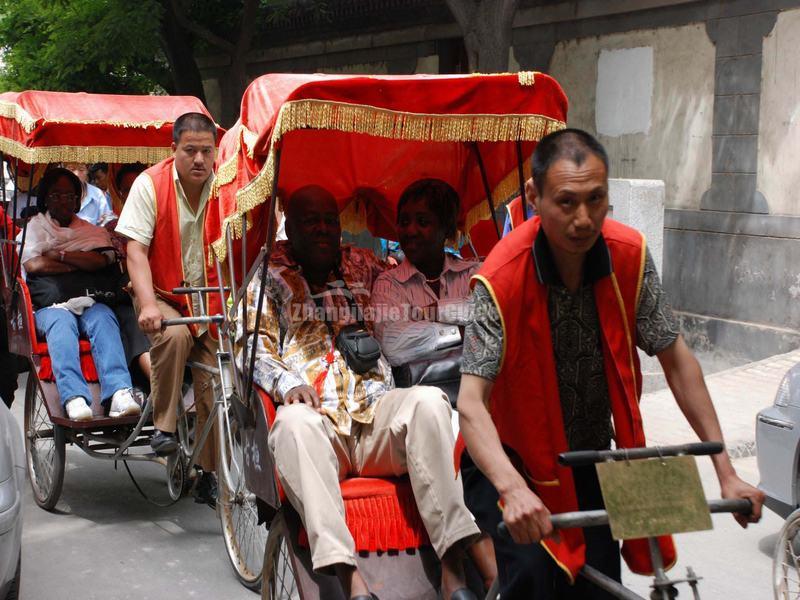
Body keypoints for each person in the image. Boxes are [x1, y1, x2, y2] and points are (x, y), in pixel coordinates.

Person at [456, 129, 765, 600]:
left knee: (603, 588)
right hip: (511, 462)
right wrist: (512, 488)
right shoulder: (499, 278)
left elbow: (678, 362)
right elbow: (472, 405)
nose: (584, 218)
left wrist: (725, 469)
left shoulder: (630, 256)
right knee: (538, 578)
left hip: (592, 456)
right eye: (567, 202)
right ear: (534, 197)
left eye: (596, 199)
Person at [241, 184, 481, 600]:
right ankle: (351, 580)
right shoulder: (268, 277)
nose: (322, 230)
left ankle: (453, 566)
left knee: (428, 403)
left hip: (375, 416)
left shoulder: (365, 265)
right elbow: (249, 346)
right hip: (319, 425)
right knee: (293, 424)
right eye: (310, 221)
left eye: (330, 221)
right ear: (289, 229)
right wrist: (287, 384)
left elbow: (413, 276)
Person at [116, 113, 218, 507]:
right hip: (160, 292)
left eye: (206, 151)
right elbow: (135, 251)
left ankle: (210, 471)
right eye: (189, 150)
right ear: (173, 150)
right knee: (173, 334)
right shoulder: (149, 184)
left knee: (218, 375)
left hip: (208, 295)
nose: (198, 159)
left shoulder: (224, 186)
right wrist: (145, 304)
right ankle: (164, 428)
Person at [20, 168, 140, 421]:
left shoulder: (91, 231)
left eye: (69, 195)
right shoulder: (36, 227)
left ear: (78, 199)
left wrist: (59, 256)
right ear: (46, 198)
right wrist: (78, 264)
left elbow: (101, 260)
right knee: (61, 324)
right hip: (50, 305)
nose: (64, 201)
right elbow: (34, 264)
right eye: (56, 195)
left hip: (89, 299)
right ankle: (73, 397)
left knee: (104, 318)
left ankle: (119, 391)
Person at [371, 179, 479, 367]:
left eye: (422, 222)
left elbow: (493, 313)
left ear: (445, 229)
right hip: (420, 392)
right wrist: (461, 332)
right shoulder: (388, 284)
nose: (411, 230)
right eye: (404, 222)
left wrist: (434, 311)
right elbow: (392, 344)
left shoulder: (473, 273)